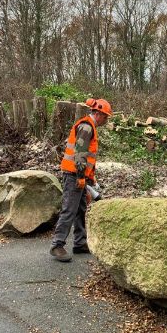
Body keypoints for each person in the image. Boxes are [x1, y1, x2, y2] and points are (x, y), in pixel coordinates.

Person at [50, 98, 112, 262]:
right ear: (97, 113)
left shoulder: (90, 126)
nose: (106, 120)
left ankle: (80, 243)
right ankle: (57, 245)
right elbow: (80, 154)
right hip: (73, 175)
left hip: (79, 175)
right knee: (69, 209)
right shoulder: (86, 127)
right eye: (105, 116)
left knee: (80, 210)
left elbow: (88, 157)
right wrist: (80, 177)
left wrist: (90, 178)